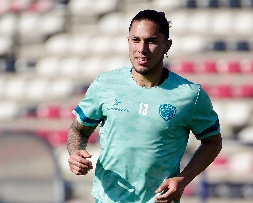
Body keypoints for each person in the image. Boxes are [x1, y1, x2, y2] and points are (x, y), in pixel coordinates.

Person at [67, 9, 222, 203]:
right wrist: (75, 153)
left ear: (167, 45)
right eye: (136, 40)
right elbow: (78, 130)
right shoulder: (105, 84)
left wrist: (183, 179)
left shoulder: (190, 95)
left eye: (152, 41)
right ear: (128, 42)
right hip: (108, 199)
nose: (142, 48)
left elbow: (213, 142)